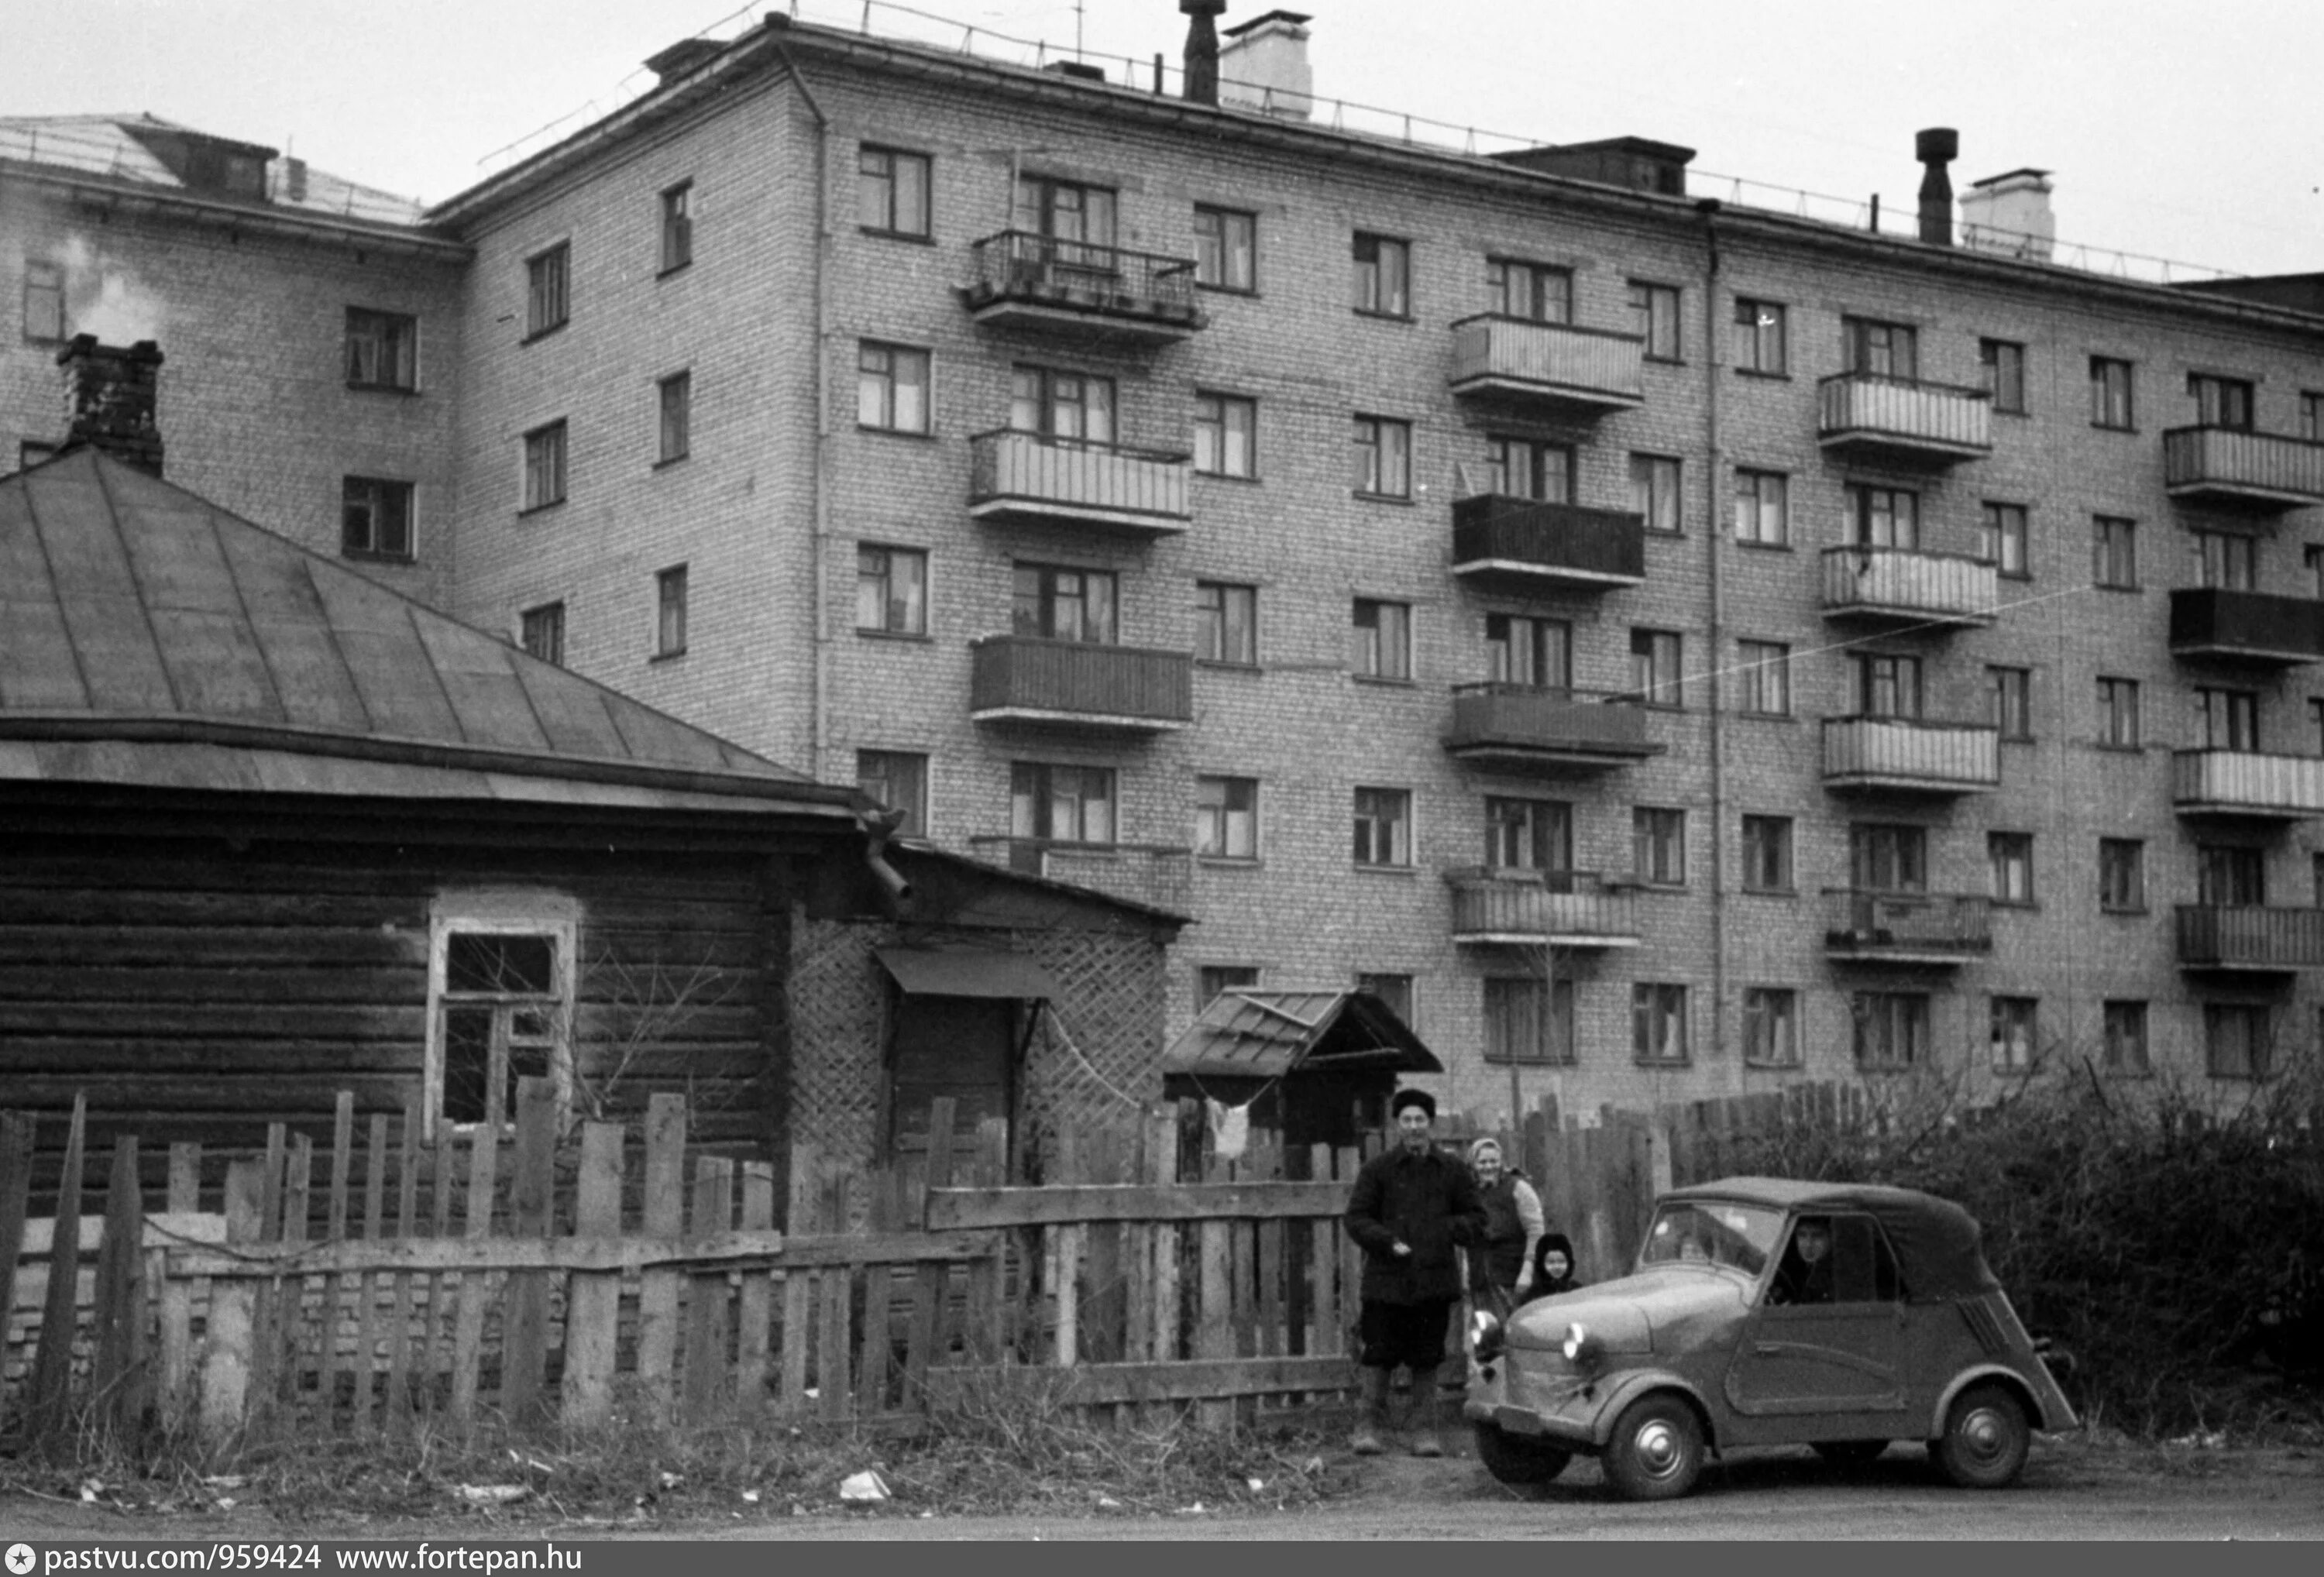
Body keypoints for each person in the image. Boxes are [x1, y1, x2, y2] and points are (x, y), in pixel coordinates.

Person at [1344, 1088, 1485, 1458]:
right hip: (1386, 1282)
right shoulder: (1378, 1170)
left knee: (1427, 1356)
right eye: (1406, 1120)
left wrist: (1446, 1230)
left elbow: (1477, 1219)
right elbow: (1356, 1219)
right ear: (1397, 1125)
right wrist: (1387, 1241)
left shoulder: (1452, 1171)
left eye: (1420, 1120)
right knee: (1378, 1354)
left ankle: (1424, 1431)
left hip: (1433, 1281)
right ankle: (1368, 1427)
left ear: (1430, 1124)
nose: (1413, 1127)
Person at [1466, 1137, 1544, 1311]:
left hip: (1513, 1277)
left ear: (1502, 1163)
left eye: (1494, 1161)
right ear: (1473, 1165)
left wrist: (1527, 1271)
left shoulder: (1519, 1188)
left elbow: (1536, 1231)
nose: (1488, 1167)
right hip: (1481, 1279)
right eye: (1482, 1162)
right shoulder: (1469, 1192)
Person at [1769, 1217, 1835, 1306]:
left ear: (1831, 1237)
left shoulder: (1837, 1274)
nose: (1808, 1244)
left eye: (1817, 1236)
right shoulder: (1789, 1266)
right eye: (1802, 1235)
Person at [1521, 1231, 1579, 1304]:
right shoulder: (1533, 1296)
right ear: (1541, 1265)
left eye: (1561, 1261)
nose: (1557, 1267)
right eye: (1551, 1262)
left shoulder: (1577, 1290)